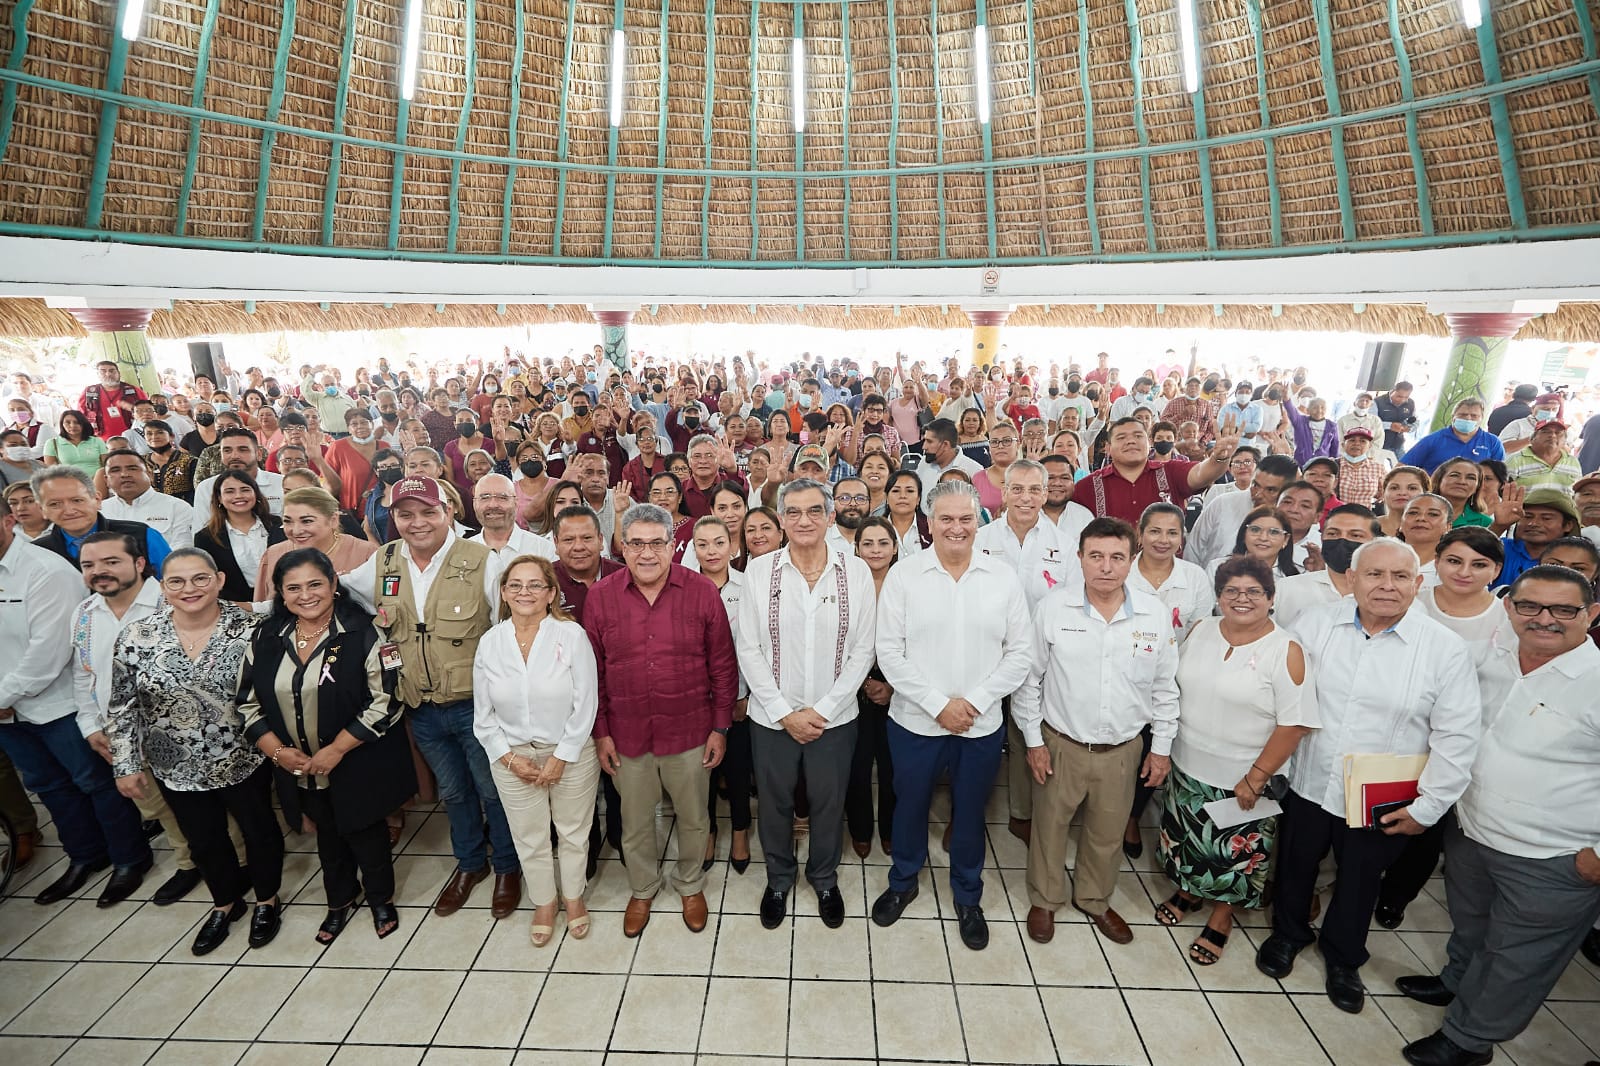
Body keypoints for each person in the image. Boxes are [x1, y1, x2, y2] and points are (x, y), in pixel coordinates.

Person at [1256, 539, 1481, 1015]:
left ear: (1418, 584)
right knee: (1296, 864)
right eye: (1375, 574)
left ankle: (1343, 957)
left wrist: (1429, 807)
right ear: (1353, 579)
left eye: (1400, 577)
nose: (1387, 586)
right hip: (1310, 778)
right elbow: (1280, 690)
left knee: (1359, 880)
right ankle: (1288, 934)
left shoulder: (1443, 649)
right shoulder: (1315, 624)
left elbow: (1457, 736)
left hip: (1381, 795)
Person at [1397, 566, 1600, 1066]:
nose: (1544, 619)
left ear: (1591, 615)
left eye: (1563, 609)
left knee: (1516, 957)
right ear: (1509, 608)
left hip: (1554, 856)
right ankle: (1455, 983)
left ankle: (1469, 1039)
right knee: (1471, 927)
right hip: (1472, 830)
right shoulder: (1491, 658)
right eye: (1529, 606)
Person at [340, 476, 524, 919]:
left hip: (475, 706)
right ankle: (470, 864)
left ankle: (507, 867)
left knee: (493, 791)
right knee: (455, 794)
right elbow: (338, 592)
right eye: (405, 514)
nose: (417, 522)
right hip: (421, 706)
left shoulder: (484, 561)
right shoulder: (382, 562)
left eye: (428, 512)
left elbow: (507, 631)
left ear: (449, 512)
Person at [871, 481, 1031, 951]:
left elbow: (1020, 653)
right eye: (946, 518)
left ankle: (967, 894)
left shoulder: (1001, 577)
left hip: (980, 726)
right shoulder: (905, 576)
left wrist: (976, 701)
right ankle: (903, 881)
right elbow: (890, 652)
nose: (956, 527)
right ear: (929, 522)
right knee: (910, 805)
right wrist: (939, 704)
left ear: (978, 521)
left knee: (969, 811)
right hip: (916, 722)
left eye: (966, 518)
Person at [105, 548, 283, 955]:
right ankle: (224, 903)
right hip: (175, 765)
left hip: (243, 757)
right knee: (204, 840)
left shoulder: (253, 630)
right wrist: (125, 763)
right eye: (177, 581)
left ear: (219, 580)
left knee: (260, 832)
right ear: (162, 587)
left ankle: (267, 900)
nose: (190, 589)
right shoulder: (137, 636)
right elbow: (122, 705)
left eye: (200, 578)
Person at [1013, 516, 1179, 947]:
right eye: (1096, 556)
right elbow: (1029, 681)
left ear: (1131, 560)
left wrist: (1160, 749)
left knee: (1107, 832)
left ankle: (1094, 898)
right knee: (1049, 826)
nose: (1106, 567)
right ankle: (1046, 899)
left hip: (1123, 749)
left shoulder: (1153, 615)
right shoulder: (1053, 608)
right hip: (1060, 743)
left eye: (1117, 557)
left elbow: (1165, 688)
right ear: (1081, 558)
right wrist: (1033, 741)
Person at [239, 548, 414, 943]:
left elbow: (386, 698)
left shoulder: (366, 632)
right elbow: (246, 702)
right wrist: (278, 753)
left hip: (357, 760)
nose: (306, 595)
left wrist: (336, 749)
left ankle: (380, 899)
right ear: (281, 595)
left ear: (334, 585)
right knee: (328, 836)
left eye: (315, 584)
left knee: (366, 834)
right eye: (293, 588)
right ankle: (339, 899)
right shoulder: (265, 638)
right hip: (297, 766)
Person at [584, 503, 737, 938]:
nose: (646, 553)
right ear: (622, 547)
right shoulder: (601, 596)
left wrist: (720, 727)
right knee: (634, 823)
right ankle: (643, 887)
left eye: (657, 543)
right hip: (627, 734)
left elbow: (723, 666)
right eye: (636, 544)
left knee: (693, 818)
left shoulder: (702, 591)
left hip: (690, 730)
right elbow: (592, 671)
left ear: (673, 546)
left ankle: (690, 883)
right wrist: (601, 733)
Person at [1155, 556, 1316, 964]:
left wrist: (1257, 777)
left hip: (1244, 778)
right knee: (1190, 840)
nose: (1241, 599)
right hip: (1187, 764)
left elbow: (1294, 724)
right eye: (1231, 591)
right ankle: (1190, 891)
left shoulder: (1286, 649)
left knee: (1235, 856)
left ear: (1271, 598)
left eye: (1253, 592)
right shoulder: (1201, 630)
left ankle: (1223, 915)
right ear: (1219, 596)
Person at [736, 479, 877, 930]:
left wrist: (824, 710)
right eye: (793, 512)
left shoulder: (853, 571)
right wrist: (784, 712)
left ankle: (823, 877)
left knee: (827, 803)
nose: (804, 521)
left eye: (814, 511)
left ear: (831, 517)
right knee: (775, 804)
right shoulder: (760, 572)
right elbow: (749, 649)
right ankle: (778, 879)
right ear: (780, 520)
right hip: (772, 719)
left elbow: (863, 650)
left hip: (834, 720)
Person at [0, 499, 154, 906]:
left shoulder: (43, 570)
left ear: (8, 520)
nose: (95, 570)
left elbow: (48, 654)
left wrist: (2, 697)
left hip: (55, 704)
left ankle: (128, 859)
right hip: (8, 714)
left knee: (95, 784)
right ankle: (85, 856)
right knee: (48, 787)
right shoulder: (87, 606)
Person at [1372, 527, 1512, 932]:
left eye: (1479, 564)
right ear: (1437, 563)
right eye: (1454, 561)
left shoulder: (1507, 618)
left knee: (1431, 827)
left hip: (1466, 736)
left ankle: (1396, 896)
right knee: (1385, 813)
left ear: (1496, 569)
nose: (1464, 572)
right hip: (1399, 730)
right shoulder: (1409, 603)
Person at [73, 531, 220, 905]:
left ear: (139, 564)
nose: (99, 572)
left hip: (183, 731)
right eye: (89, 564)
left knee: (210, 809)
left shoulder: (172, 601)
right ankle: (189, 864)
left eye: (110, 562)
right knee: (157, 806)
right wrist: (91, 726)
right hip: (123, 734)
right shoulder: (85, 613)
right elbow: (83, 673)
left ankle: (234, 865)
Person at [473, 554, 602, 947]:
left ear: (550, 594)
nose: (524, 592)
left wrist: (562, 756)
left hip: (571, 752)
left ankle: (574, 897)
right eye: (515, 585)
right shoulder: (491, 643)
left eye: (534, 585)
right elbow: (483, 716)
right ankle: (544, 902)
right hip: (511, 757)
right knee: (529, 836)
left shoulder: (571, 636)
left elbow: (587, 703)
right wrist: (510, 758)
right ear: (504, 593)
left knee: (574, 832)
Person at [973, 459, 1076, 846]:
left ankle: (1021, 813)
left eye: (1035, 490)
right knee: (979, 736)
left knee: (1025, 735)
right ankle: (970, 811)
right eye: (1017, 488)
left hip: (1039, 659)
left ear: (1046, 493)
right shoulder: (981, 540)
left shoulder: (1064, 547)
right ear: (1003, 491)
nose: (1026, 497)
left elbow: (1070, 604)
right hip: (985, 654)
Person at [692, 516, 753, 873]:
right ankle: (710, 831)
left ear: (733, 547)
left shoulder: (748, 587)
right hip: (697, 701)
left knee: (739, 768)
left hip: (740, 699)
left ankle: (741, 831)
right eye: (703, 544)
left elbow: (754, 646)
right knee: (704, 773)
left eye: (719, 542)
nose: (711, 551)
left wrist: (743, 695)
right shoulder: (683, 587)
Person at [847, 516, 899, 859]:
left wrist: (893, 686)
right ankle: (860, 828)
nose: (875, 550)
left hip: (899, 687)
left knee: (893, 765)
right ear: (856, 548)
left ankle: (891, 830)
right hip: (854, 686)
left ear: (895, 548)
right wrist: (863, 681)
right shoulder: (846, 582)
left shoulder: (907, 584)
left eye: (883, 543)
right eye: (868, 544)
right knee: (858, 763)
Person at [32, 464, 173, 576]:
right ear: (41, 510)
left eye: (77, 500)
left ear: (97, 500)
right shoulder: (36, 552)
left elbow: (173, 583)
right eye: (55, 504)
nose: (69, 511)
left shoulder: (141, 536)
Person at [1273, 504, 1382, 627]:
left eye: (1355, 535)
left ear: (1375, 542)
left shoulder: (1385, 593)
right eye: (1333, 534)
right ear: (1322, 537)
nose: (1342, 540)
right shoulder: (1286, 588)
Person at [1186, 454, 1301, 570]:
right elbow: (1193, 550)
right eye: (1256, 485)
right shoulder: (1223, 503)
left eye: (1270, 490)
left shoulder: (1294, 518)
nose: (1258, 494)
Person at [194, 470, 286, 604]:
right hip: (237, 610)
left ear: (256, 493)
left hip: (284, 604)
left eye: (245, 490)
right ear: (219, 498)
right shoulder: (205, 538)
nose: (238, 496)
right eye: (230, 491)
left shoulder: (278, 525)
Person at [101, 447, 195, 549]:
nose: (124, 474)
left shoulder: (178, 507)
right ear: (106, 480)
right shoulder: (99, 512)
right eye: (115, 470)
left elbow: (183, 551)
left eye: (132, 468)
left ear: (149, 474)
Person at [469, 473, 556, 565]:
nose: (493, 505)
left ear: (516, 503)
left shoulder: (544, 550)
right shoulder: (462, 551)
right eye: (485, 497)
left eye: (502, 497)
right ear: (474, 504)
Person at [1402, 399, 1505, 474]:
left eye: (1474, 416)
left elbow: (1499, 474)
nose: (1468, 419)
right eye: (1463, 415)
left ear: (1481, 418)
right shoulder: (1434, 440)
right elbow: (1402, 467)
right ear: (1453, 417)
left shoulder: (1492, 442)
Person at [1211, 505, 1300, 580]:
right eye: (1255, 530)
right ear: (1244, 534)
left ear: (1286, 539)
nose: (1263, 538)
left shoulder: (1294, 578)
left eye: (1273, 532)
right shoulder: (1217, 568)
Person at [1503, 415, 1581, 493]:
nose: (1553, 435)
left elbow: (1577, 491)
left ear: (1564, 441)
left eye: (1558, 433)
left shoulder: (1573, 461)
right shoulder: (1515, 461)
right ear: (1532, 439)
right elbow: (1503, 492)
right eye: (1546, 432)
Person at [77, 361, 146, 440]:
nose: (108, 374)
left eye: (112, 371)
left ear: (119, 373)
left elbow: (151, 412)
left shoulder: (133, 390)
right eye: (103, 371)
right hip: (100, 441)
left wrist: (134, 409)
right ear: (98, 375)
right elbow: (80, 416)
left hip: (132, 439)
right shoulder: (89, 392)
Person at [42, 409, 109, 477]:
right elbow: (52, 472)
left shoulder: (97, 441)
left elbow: (106, 466)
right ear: (62, 424)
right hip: (69, 484)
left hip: (97, 483)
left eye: (77, 422)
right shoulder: (52, 443)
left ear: (83, 424)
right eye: (67, 422)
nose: (72, 425)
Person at [1431, 458, 1494, 528]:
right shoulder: (1418, 514)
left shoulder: (1484, 522)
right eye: (1454, 475)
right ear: (1439, 479)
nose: (1462, 482)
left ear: (1477, 486)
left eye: (1471, 478)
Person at [1377, 464, 1431, 538]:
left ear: (1426, 494)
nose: (1402, 493)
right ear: (1383, 493)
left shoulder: (1435, 529)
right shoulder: (1366, 527)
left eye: (1412, 488)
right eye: (1394, 488)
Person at [1336, 427, 1383, 508]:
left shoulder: (1378, 468)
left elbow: (1383, 494)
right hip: (1336, 515)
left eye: (1362, 441)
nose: (1357, 444)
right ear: (1343, 445)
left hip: (1366, 517)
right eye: (1352, 440)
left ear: (1370, 446)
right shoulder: (1332, 465)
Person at [1377, 381, 1418, 455]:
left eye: (1406, 397)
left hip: (1398, 444)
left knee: (1404, 466)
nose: (1402, 400)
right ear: (1393, 391)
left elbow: (1415, 421)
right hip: (1378, 444)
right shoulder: (1377, 402)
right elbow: (1370, 423)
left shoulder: (1411, 403)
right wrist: (1390, 426)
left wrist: (1409, 428)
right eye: (1399, 396)